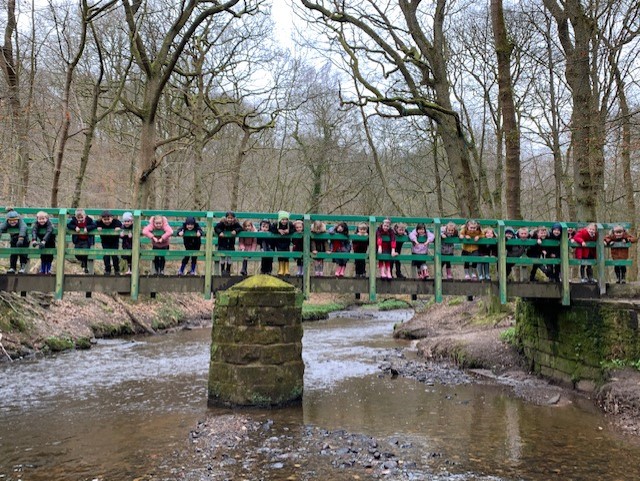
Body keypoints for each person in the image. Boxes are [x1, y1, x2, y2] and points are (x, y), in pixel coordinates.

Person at [67, 208, 97, 274]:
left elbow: (94, 225)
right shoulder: (74, 221)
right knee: (77, 254)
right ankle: (83, 262)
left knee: (85, 252)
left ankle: (85, 265)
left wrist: (87, 228)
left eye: (81, 217)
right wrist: (75, 227)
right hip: (78, 240)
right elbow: (69, 225)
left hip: (86, 240)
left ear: (85, 216)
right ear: (76, 217)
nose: (80, 219)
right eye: (78, 217)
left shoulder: (88, 220)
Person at [1, 210, 29, 274]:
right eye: (10, 220)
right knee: (13, 253)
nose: (12, 222)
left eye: (14, 220)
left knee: (23, 253)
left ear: (18, 219)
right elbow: (1, 227)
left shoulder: (21, 221)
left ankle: (22, 267)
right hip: (14, 239)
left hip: (24, 239)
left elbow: (23, 227)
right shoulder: (6, 222)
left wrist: (21, 238)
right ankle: (12, 267)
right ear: (8, 220)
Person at [215, 211, 242, 276]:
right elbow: (216, 228)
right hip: (222, 244)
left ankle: (228, 270)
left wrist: (235, 231)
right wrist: (220, 232)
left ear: (234, 218)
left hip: (230, 244)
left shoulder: (235, 224)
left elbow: (240, 228)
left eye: (231, 218)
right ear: (226, 218)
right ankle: (222, 270)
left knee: (229, 258)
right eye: (228, 218)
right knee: (223, 257)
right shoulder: (222, 223)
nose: (230, 219)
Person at [95, 210, 122, 275]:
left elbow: (121, 225)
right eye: (105, 219)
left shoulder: (116, 222)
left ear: (112, 218)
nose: (107, 221)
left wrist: (118, 228)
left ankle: (117, 269)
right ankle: (107, 270)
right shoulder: (99, 222)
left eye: (108, 219)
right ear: (102, 219)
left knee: (114, 255)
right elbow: (94, 225)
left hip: (114, 241)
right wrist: (98, 227)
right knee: (106, 255)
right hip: (105, 241)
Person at [271, 211, 294, 276]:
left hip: (286, 242)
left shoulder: (290, 224)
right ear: (280, 219)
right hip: (278, 242)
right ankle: (281, 269)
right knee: (280, 254)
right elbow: (272, 229)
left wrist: (288, 231)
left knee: (286, 254)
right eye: (283, 219)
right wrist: (278, 231)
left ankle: (286, 269)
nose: (284, 221)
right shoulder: (276, 224)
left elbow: (293, 230)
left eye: (286, 219)